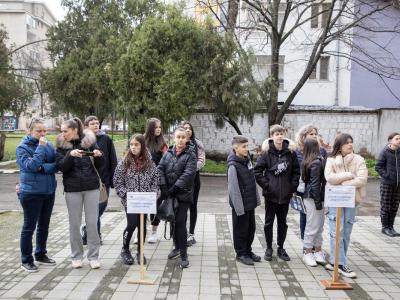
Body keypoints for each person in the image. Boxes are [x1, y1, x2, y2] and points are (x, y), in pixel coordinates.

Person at [56, 117, 104, 269]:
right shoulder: (61, 144)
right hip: (72, 189)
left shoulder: (90, 141)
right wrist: (70, 155)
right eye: (62, 131)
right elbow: (61, 167)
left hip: (91, 187)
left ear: (75, 130)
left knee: (92, 223)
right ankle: (76, 256)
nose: (63, 134)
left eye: (65, 131)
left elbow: (100, 165)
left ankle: (94, 256)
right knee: (74, 224)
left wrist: (98, 154)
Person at [16, 118, 57, 272]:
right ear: (30, 131)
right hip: (31, 193)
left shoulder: (49, 145)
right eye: (39, 131)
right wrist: (40, 148)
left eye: (44, 131)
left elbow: (56, 165)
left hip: (48, 191)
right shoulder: (22, 148)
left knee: (44, 225)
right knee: (29, 227)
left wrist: (42, 168)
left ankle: (40, 254)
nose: (42, 134)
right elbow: (31, 166)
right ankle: (26, 259)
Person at [324, 133, 368, 278]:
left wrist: (341, 183)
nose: (350, 145)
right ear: (339, 145)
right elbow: (329, 177)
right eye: (346, 142)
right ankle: (341, 264)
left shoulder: (359, 159)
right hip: (335, 200)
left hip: (352, 200)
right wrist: (349, 176)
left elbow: (362, 180)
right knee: (336, 231)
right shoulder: (330, 160)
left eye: (351, 142)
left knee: (346, 231)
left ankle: (334, 261)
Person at [254, 125, 300, 262]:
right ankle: (269, 247)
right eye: (276, 134)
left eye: (281, 133)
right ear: (272, 136)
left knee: (282, 222)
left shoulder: (290, 153)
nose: (279, 136)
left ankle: (281, 247)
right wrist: (267, 186)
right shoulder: (266, 153)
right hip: (271, 195)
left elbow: (296, 172)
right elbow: (257, 172)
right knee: (268, 222)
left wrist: (292, 187)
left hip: (285, 195)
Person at [113, 134, 159, 265]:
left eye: (136, 145)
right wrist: (125, 194)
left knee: (142, 225)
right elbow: (117, 181)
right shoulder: (124, 162)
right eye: (131, 145)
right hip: (131, 201)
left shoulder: (150, 163)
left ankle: (140, 251)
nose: (133, 147)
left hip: (144, 201)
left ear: (142, 146)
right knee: (132, 224)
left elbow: (155, 180)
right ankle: (125, 249)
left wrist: (154, 193)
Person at [158, 126, 197, 268]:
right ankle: (176, 247)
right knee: (172, 221)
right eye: (178, 137)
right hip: (169, 194)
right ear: (174, 138)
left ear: (187, 139)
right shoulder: (168, 153)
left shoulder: (191, 154)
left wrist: (175, 188)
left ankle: (184, 253)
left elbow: (189, 174)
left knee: (180, 223)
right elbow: (160, 169)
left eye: (183, 137)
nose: (180, 140)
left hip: (183, 195)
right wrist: (163, 187)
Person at [80, 116, 118, 245]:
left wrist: (114, 180)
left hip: (103, 180)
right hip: (88, 180)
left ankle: (87, 228)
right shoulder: (82, 140)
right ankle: (95, 236)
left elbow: (113, 159)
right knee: (94, 210)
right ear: (86, 126)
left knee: (101, 207)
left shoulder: (106, 139)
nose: (96, 125)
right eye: (92, 124)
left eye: (97, 123)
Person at [227, 135, 261, 265]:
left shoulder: (247, 160)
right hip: (240, 205)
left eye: (247, 146)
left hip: (249, 202)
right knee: (240, 229)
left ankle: (248, 250)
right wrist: (239, 207)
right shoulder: (233, 165)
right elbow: (233, 189)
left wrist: (256, 199)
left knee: (250, 228)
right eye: (244, 146)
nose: (247, 149)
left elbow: (252, 181)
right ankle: (241, 253)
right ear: (236, 148)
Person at [294, 125, 327, 241]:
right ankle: (306, 243)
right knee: (305, 216)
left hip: (317, 189)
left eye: (315, 134)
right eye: (311, 134)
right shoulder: (297, 151)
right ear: (303, 136)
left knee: (317, 218)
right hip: (302, 189)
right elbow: (294, 171)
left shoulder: (321, 151)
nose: (314, 136)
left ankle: (315, 245)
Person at [301, 138, 326, 267]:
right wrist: (318, 203)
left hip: (313, 197)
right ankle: (308, 252)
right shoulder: (316, 162)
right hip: (314, 198)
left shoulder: (310, 160)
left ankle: (317, 250)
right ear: (315, 147)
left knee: (318, 225)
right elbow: (315, 184)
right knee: (313, 226)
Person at [144, 118, 168, 243]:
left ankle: (153, 232)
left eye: (160, 127)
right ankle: (141, 232)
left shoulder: (163, 144)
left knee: (155, 206)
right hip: (143, 180)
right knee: (143, 206)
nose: (158, 129)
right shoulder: (142, 141)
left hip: (158, 180)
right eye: (156, 127)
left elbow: (166, 161)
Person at [182, 121, 206, 246]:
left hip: (194, 179)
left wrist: (190, 169)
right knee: (182, 207)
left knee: (193, 205)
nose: (187, 130)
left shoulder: (198, 144)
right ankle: (183, 232)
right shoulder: (179, 143)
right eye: (184, 128)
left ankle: (191, 233)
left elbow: (201, 160)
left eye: (189, 128)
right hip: (182, 180)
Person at [375, 132, 400, 237]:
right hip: (387, 184)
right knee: (386, 206)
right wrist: (387, 175)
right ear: (390, 140)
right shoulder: (385, 152)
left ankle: (391, 227)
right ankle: (385, 227)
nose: (399, 141)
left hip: (398, 185)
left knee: (394, 206)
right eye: (397, 139)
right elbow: (378, 167)